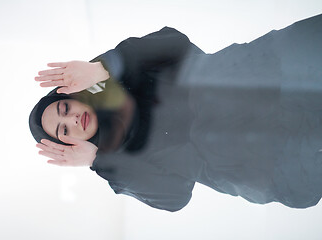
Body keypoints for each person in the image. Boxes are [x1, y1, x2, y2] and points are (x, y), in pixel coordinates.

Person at [30, 14, 322, 212]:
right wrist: (99, 159)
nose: (71, 120)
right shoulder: (118, 164)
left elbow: (173, 42)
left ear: (73, 96)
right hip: (268, 155)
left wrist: (100, 68)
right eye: (64, 130)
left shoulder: (119, 74)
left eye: (64, 108)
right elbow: (174, 197)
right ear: (70, 144)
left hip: (260, 80)